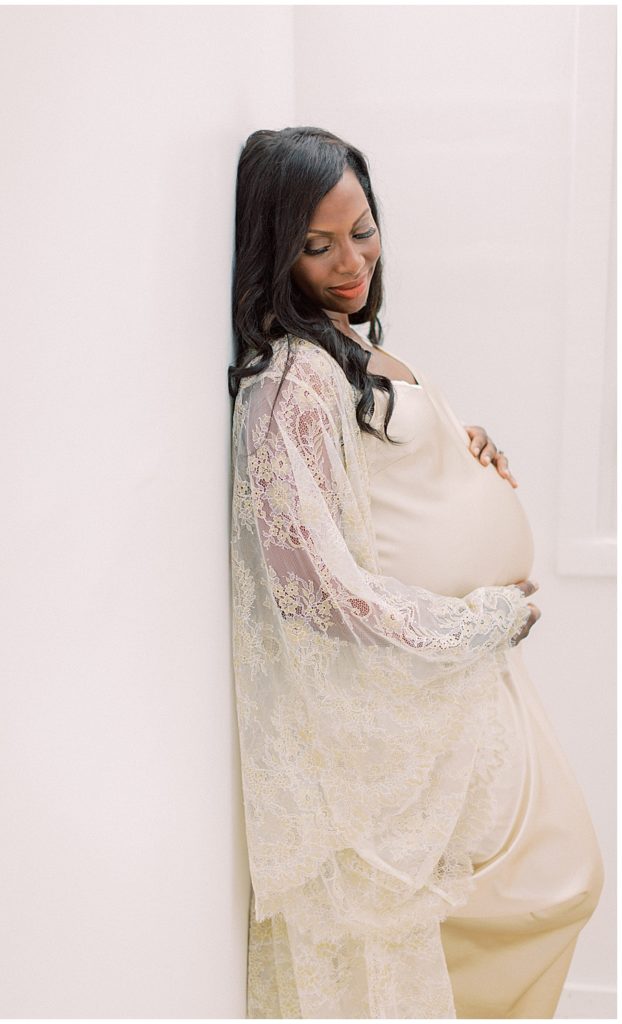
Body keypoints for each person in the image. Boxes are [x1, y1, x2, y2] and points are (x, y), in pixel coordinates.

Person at [228, 126, 603, 1019]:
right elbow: (312, 586)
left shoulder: (351, 344)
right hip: (434, 680)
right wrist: (481, 620)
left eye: (363, 229)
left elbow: (394, 470)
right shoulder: (288, 382)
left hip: (478, 680)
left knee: (545, 889)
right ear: (272, 250)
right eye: (317, 246)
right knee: (542, 892)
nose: (351, 260)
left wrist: (468, 451)